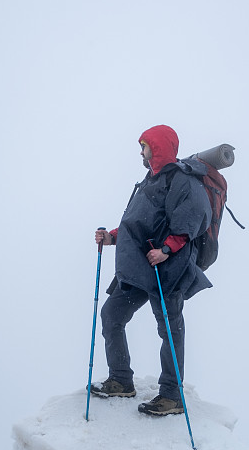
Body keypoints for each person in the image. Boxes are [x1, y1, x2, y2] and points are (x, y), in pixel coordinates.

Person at [91, 124, 213, 416]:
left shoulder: (183, 180)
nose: (141, 152)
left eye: (144, 146)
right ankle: (121, 379)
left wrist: (167, 249)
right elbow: (138, 222)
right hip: (140, 267)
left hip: (167, 268)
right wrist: (112, 237)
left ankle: (171, 396)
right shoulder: (149, 180)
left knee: (169, 329)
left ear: (157, 148)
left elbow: (191, 219)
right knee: (112, 314)